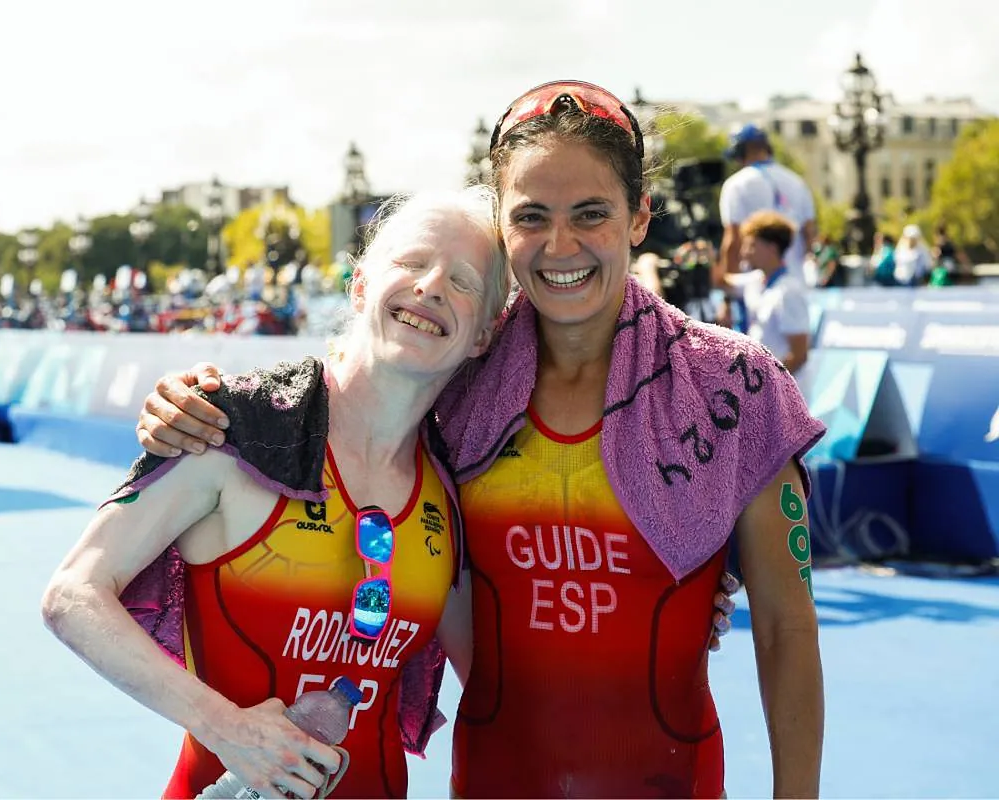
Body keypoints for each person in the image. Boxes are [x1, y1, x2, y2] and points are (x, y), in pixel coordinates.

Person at [134, 81, 824, 797]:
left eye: (591, 214)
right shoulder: (454, 383)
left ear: (640, 217)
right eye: (532, 216)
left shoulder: (734, 391)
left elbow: (787, 632)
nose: (562, 246)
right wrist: (202, 407)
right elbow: (342, 402)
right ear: (502, 221)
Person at [43, 187, 513, 799]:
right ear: (360, 284)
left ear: (483, 334)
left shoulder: (453, 493)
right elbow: (73, 595)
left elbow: (495, 685)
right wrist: (224, 726)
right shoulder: (233, 428)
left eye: (464, 281)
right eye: (411, 262)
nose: (430, 287)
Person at [716, 123, 817, 332]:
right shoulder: (797, 181)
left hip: (755, 287)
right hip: (795, 283)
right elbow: (809, 234)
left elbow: (732, 242)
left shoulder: (736, 184)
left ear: (741, 151)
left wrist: (727, 298)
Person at [730, 210, 811, 374]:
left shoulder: (789, 292)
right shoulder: (755, 281)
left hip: (781, 395)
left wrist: (766, 384)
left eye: (751, 245)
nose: (744, 252)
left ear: (772, 248)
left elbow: (799, 355)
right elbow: (720, 282)